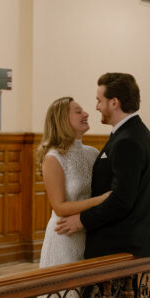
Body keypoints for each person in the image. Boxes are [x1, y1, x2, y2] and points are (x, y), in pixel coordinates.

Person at [55, 72, 150, 258]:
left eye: (99, 101)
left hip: (117, 246)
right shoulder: (132, 133)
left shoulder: (128, 140)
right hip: (121, 244)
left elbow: (121, 201)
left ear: (114, 102)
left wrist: (82, 221)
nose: (96, 107)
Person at [37, 96, 111, 267]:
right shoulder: (53, 158)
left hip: (89, 233)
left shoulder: (92, 153)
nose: (86, 114)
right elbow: (60, 207)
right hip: (64, 237)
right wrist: (100, 200)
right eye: (78, 112)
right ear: (62, 120)